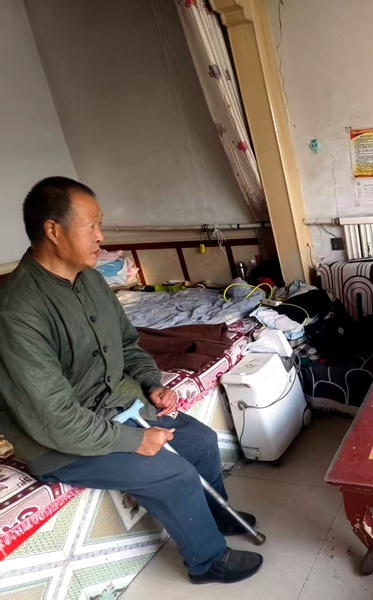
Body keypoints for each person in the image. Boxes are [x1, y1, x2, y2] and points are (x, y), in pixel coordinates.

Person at [0, 177, 263, 585]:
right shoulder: (18, 310)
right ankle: (206, 561)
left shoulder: (89, 279)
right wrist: (134, 441)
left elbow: (127, 343)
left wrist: (150, 383)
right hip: (62, 442)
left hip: (119, 406)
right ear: (53, 230)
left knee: (199, 441)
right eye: (91, 225)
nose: (101, 237)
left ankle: (216, 514)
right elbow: (55, 420)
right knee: (172, 472)